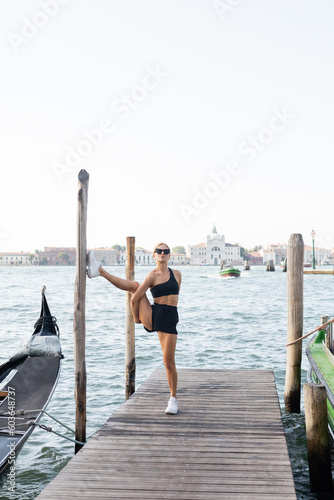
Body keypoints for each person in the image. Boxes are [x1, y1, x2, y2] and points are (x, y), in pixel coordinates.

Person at [86, 243, 181, 415]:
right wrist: (136, 318)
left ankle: (173, 399)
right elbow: (133, 300)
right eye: (159, 251)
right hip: (153, 316)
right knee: (135, 286)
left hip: (169, 318)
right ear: (154, 255)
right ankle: (100, 271)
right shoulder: (151, 276)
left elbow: (174, 298)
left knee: (169, 362)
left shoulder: (177, 275)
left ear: (169, 255)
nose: (162, 253)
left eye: (166, 251)